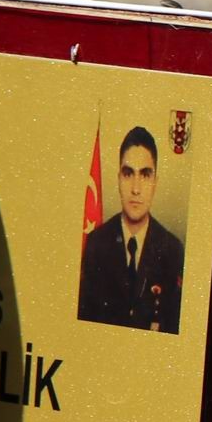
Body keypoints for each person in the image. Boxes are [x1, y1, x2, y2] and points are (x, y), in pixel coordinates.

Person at [76, 125, 183, 333]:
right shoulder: (97, 244)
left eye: (145, 174)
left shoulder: (172, 250)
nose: (135, 188)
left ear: (155, 182)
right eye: (128, 173)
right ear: (118, 179)